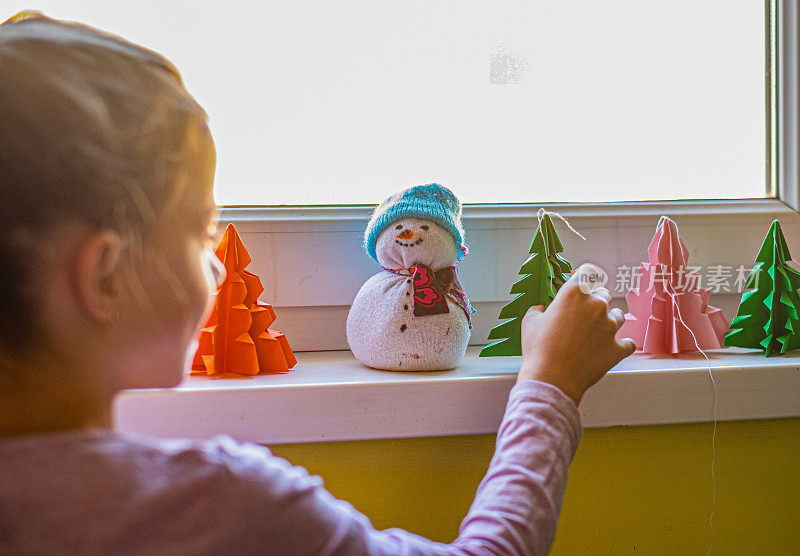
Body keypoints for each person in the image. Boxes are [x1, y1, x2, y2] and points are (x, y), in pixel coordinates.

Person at [0, 12, 635, 555]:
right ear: (106, 277)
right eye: (200, 233)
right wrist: (549, 383)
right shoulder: (220, 510)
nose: (217, 266)